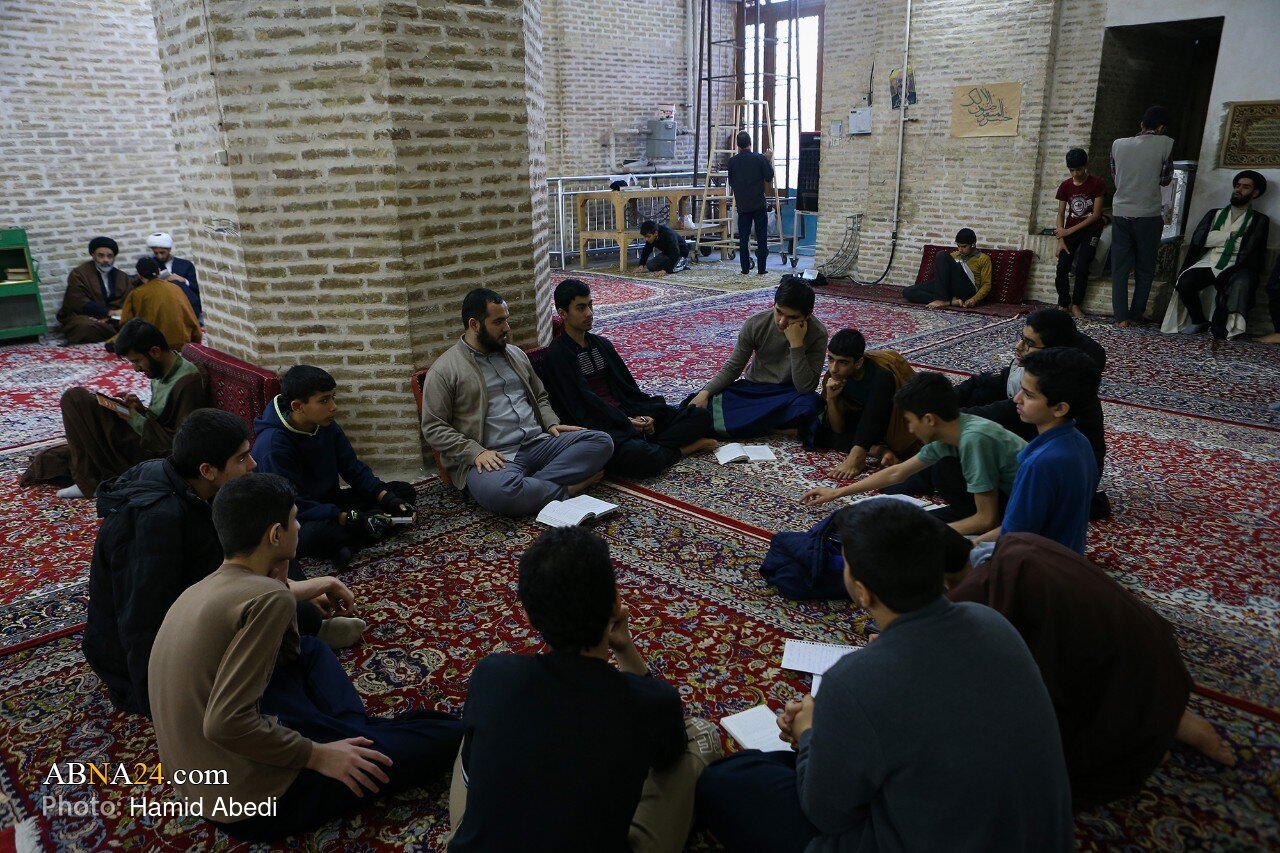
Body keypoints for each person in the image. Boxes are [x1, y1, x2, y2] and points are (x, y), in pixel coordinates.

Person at [696, 499, 1073, 853]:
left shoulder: (854, 680)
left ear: (861, 591)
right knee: (783, 768)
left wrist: (808, 731)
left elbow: (826, 814)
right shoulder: (993, 623)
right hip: (1036, 835)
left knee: (729, 781)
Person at [148, 473, 463, 842]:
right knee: (446, 735)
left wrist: (303, 581)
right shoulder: (269, 599)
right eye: (294, 519)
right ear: (275, 535)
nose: (300, 525)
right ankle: (354, 737)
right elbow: (224, 724)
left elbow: (283, 639)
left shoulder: (207, 586)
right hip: (254, 804)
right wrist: (316, 756)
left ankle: (350, 732)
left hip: (200, 787)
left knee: (311, 649)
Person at [447, 526, 722, 852]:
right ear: (614, 605)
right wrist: (625, 649)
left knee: (476, 727)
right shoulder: (649, 703)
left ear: (528, 616)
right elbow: (668, 750)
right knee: (699, 735)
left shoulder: (491, 674)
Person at [83, 410, 365, 718]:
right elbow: (141, 621)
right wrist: (161, 705)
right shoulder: (153, 521)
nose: (253, 464)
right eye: (242, 458)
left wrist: (300, 589)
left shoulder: (195, 486)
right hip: (145, 652)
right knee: (282, 628)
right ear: (208, 470)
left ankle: (305, 625)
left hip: (203, 593)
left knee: (275, 548)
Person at [944, 530, 1235, 809]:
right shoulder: (1016, 545)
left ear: (942, 583)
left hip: (1122, 713)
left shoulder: (971, 602)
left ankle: (1141, 746)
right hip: (1165, 671)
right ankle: (1167, 718)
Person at [421, 288, 614, 517]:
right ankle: (566, 489)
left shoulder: (515, 354)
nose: (507, 328)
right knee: (501, 493)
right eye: (499, 322)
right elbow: (433, 427)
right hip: (493, 457)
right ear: (475, 324)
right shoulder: (445, 370)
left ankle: (532, 487)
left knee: (601, 442)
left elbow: (540, 396)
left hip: (537, 443)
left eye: (507, 319)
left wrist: (550, 422)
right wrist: (474, 452)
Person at [802, 372, 1025, 534]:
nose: (909, 430)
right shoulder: (953, 427)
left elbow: (986, 519)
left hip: (1018, 513)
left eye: (910, 421)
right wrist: (837, 493)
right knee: (893, 509)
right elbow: (896, 473)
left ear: (929, 419)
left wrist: (924, 536)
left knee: (906, 531)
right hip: (999, 501)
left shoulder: (974, 441)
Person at [543, 279, 716, 478]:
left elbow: (629, 390)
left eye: (590, 305)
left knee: (700, 416)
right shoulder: (558, 355)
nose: (589, 313)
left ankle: (652, 444)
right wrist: (626, 422)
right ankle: (682, 450)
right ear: (563, 313)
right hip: (602, 425)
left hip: (628, 413)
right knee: (640, 456)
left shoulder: (601, 344)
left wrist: (644, 416)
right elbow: (579, 408)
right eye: (580, 308)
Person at [253, 365, 417, 572]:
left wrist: (387, 498)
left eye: (333, 397)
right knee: (318, 535)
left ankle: (348, 543)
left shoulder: (325, 424)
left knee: (403, 491)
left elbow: (352, 469)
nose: (334, 407)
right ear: (297, 406)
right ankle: (356, 535)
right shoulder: (272, 444)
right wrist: (344, 517)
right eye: (324, 400)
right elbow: (290, 502)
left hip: (331, 501)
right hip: (296, 515)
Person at [21, 319, 207, 499]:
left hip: (152, 452)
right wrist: (140, 409)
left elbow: (178, 443)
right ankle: (88, 476)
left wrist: (134, 418)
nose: (136, 369)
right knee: (57, 448)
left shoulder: (187, 382)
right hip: (145, 437)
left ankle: (90, 483)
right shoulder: (162, 370)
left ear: (155, 351)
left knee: (75, 399)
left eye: (137, 361)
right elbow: (161, 417)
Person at [954, 308, 1109, 517]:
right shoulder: (1038, 370)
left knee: (955, 457)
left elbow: (1003, 411)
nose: (1019, 347)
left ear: (1052, 350)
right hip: (1039, 445)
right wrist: (944, 399)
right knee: (981, 393)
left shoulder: (1058, 385)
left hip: (1063, 478)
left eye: (1029, 343)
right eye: (1021, 338)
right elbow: (991, 382)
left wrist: (946, 418)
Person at [975, 348, 1099, 553]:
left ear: (1060, 408)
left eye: (1029, 395)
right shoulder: (1081, 442)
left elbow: (1013, 538)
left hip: (1034, 567)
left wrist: (970, 550)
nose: (1017, 398)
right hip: (1067, 559)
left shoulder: (1040, 463)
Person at [688, 280, 827, 439]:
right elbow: (733, 367)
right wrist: (704, 393)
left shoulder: (817, 333)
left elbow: (805, 387)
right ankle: (772, 426)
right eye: (779, 312)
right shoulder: (756, 323)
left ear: (807, 315)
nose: (782, 322)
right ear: (773, 305)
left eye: (792, 317)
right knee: (708, 403)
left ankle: (757, 424)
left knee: (812, 405)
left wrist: (796, 345)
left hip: (789, 394)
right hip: (754, 390)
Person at [1161, 170, 1271, 339]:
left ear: (1255, 193)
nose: (1239, 190)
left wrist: (1218, 238)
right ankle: (1199, 320)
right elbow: (1202, 239)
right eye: (1237, 186)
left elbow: (1248, 248)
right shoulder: (1215, 214)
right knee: (1185, 282)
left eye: (1245, 187)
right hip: (1210, 260)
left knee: (1241, 283)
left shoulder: (1259, 220)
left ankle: (1228, 329)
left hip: (1237, 264)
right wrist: (1230, 236)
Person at [811, 328, 918, 479]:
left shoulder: (881, 374)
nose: (834, 368)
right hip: (864, 427)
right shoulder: (835, 376)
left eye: (843, 362)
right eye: (831, 359)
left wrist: (856, 452)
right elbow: (837, 429)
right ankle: (876, 450)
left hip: (891, 423)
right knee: (814, 432)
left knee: (870, 415)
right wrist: (832, 399)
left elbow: (875, 415)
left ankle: (859, 454)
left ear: (858, 362)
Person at [1110, 105, 1173, 328]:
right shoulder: (1165, 144)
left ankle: (1121, 317)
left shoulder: (1118, 145)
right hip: (1147, 213)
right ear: (1161, 127)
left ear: (1141, 124)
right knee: (1145, 267)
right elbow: (1165, 179)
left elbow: (1115, 176)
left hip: (1121, 210)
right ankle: (1136, 313)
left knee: (1119, 267)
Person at [1054, 148, 1106, 317]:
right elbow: (1061, 213)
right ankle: (1063, 303)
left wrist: (1068, 231)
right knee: (1062, 267)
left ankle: (1076, 304)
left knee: (1083, 267)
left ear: (1086, 166)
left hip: (1091, 231)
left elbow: (1096, 215)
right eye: (1072, 170)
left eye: (1078, 169)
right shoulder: (1065, 186)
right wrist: (1061, 238)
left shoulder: (1097, 183)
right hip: (1069, 233)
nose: (1075, 174)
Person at [110, 256, 202, 352]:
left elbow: (126, 324)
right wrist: (196, 343)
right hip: (183, 344)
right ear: (158, 271)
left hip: (155, 347)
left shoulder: (137, 293)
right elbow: (191, 318)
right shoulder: (176, 287)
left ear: (139, 275)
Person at [56, 236, 134, 344]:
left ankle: (113, 331)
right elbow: (78, 301)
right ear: (93, 255)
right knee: (84, 326)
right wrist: (108, 312)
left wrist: (110, 317)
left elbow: (129, 299)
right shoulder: (79, 274)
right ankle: (117, 334)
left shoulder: (122, 276)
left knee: (137, 320)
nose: (105, 260)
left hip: (113, 319)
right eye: (101, 255)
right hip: (88, 317)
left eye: (110, 256)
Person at [902, 228, 994, 308]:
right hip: (950, 289)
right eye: (958, 246)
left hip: (967, 290)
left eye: (964, 246)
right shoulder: (954, 255)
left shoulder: (983, 259)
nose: (960, 249)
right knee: (908, 292)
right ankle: (950, 302)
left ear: (973, 245)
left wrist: (974, 299)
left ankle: (941, 299)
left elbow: (986, 284)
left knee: (942, 255)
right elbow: (943, 275)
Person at [727, 131, 774, 275]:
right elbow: (768, 177)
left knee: (743, 237)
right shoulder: (759, 158)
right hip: (758, 203)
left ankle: (745, 268)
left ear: (738, 145)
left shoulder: (732, 162)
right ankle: (761, 269)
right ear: (750, 143)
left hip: (742, 205)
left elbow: (731, 182)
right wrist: (768, 159)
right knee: (761, 237)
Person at [146, 231, 202, 320]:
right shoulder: (150, 265)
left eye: (162, 252)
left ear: (169, 249)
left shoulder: (186, 265)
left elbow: (197, 288)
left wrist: (184, 280)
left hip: (186, 307)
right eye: (156, 253)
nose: (159, 256)